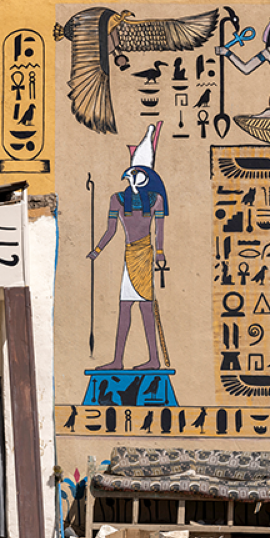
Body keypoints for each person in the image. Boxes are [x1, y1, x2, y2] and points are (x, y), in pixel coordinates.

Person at [88, 123, 169, 370]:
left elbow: (159, 230)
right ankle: (118, 360)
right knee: (125, 306)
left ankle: (154, 359)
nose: (131, 178)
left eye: (136, 174)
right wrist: (97, 250)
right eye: (130, 173)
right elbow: (111, 230)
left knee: (145, 307)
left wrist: (159, 252)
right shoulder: (118, 199)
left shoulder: (156, 200)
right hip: (129, 255)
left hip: (144, 255)